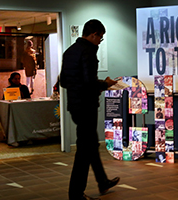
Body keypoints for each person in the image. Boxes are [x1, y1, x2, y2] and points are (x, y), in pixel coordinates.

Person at [60, 19, 119, 200]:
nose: (100, 41)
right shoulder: (88, 52)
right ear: (93, 34)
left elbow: (63, 82)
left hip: (75, 106)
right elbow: (89, 82)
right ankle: (75, 193)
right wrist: (106, 84)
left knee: (91, 145)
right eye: (100, 38)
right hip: (87, 106)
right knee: (84, 150)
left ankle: (102, 182)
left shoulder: (69, 52)